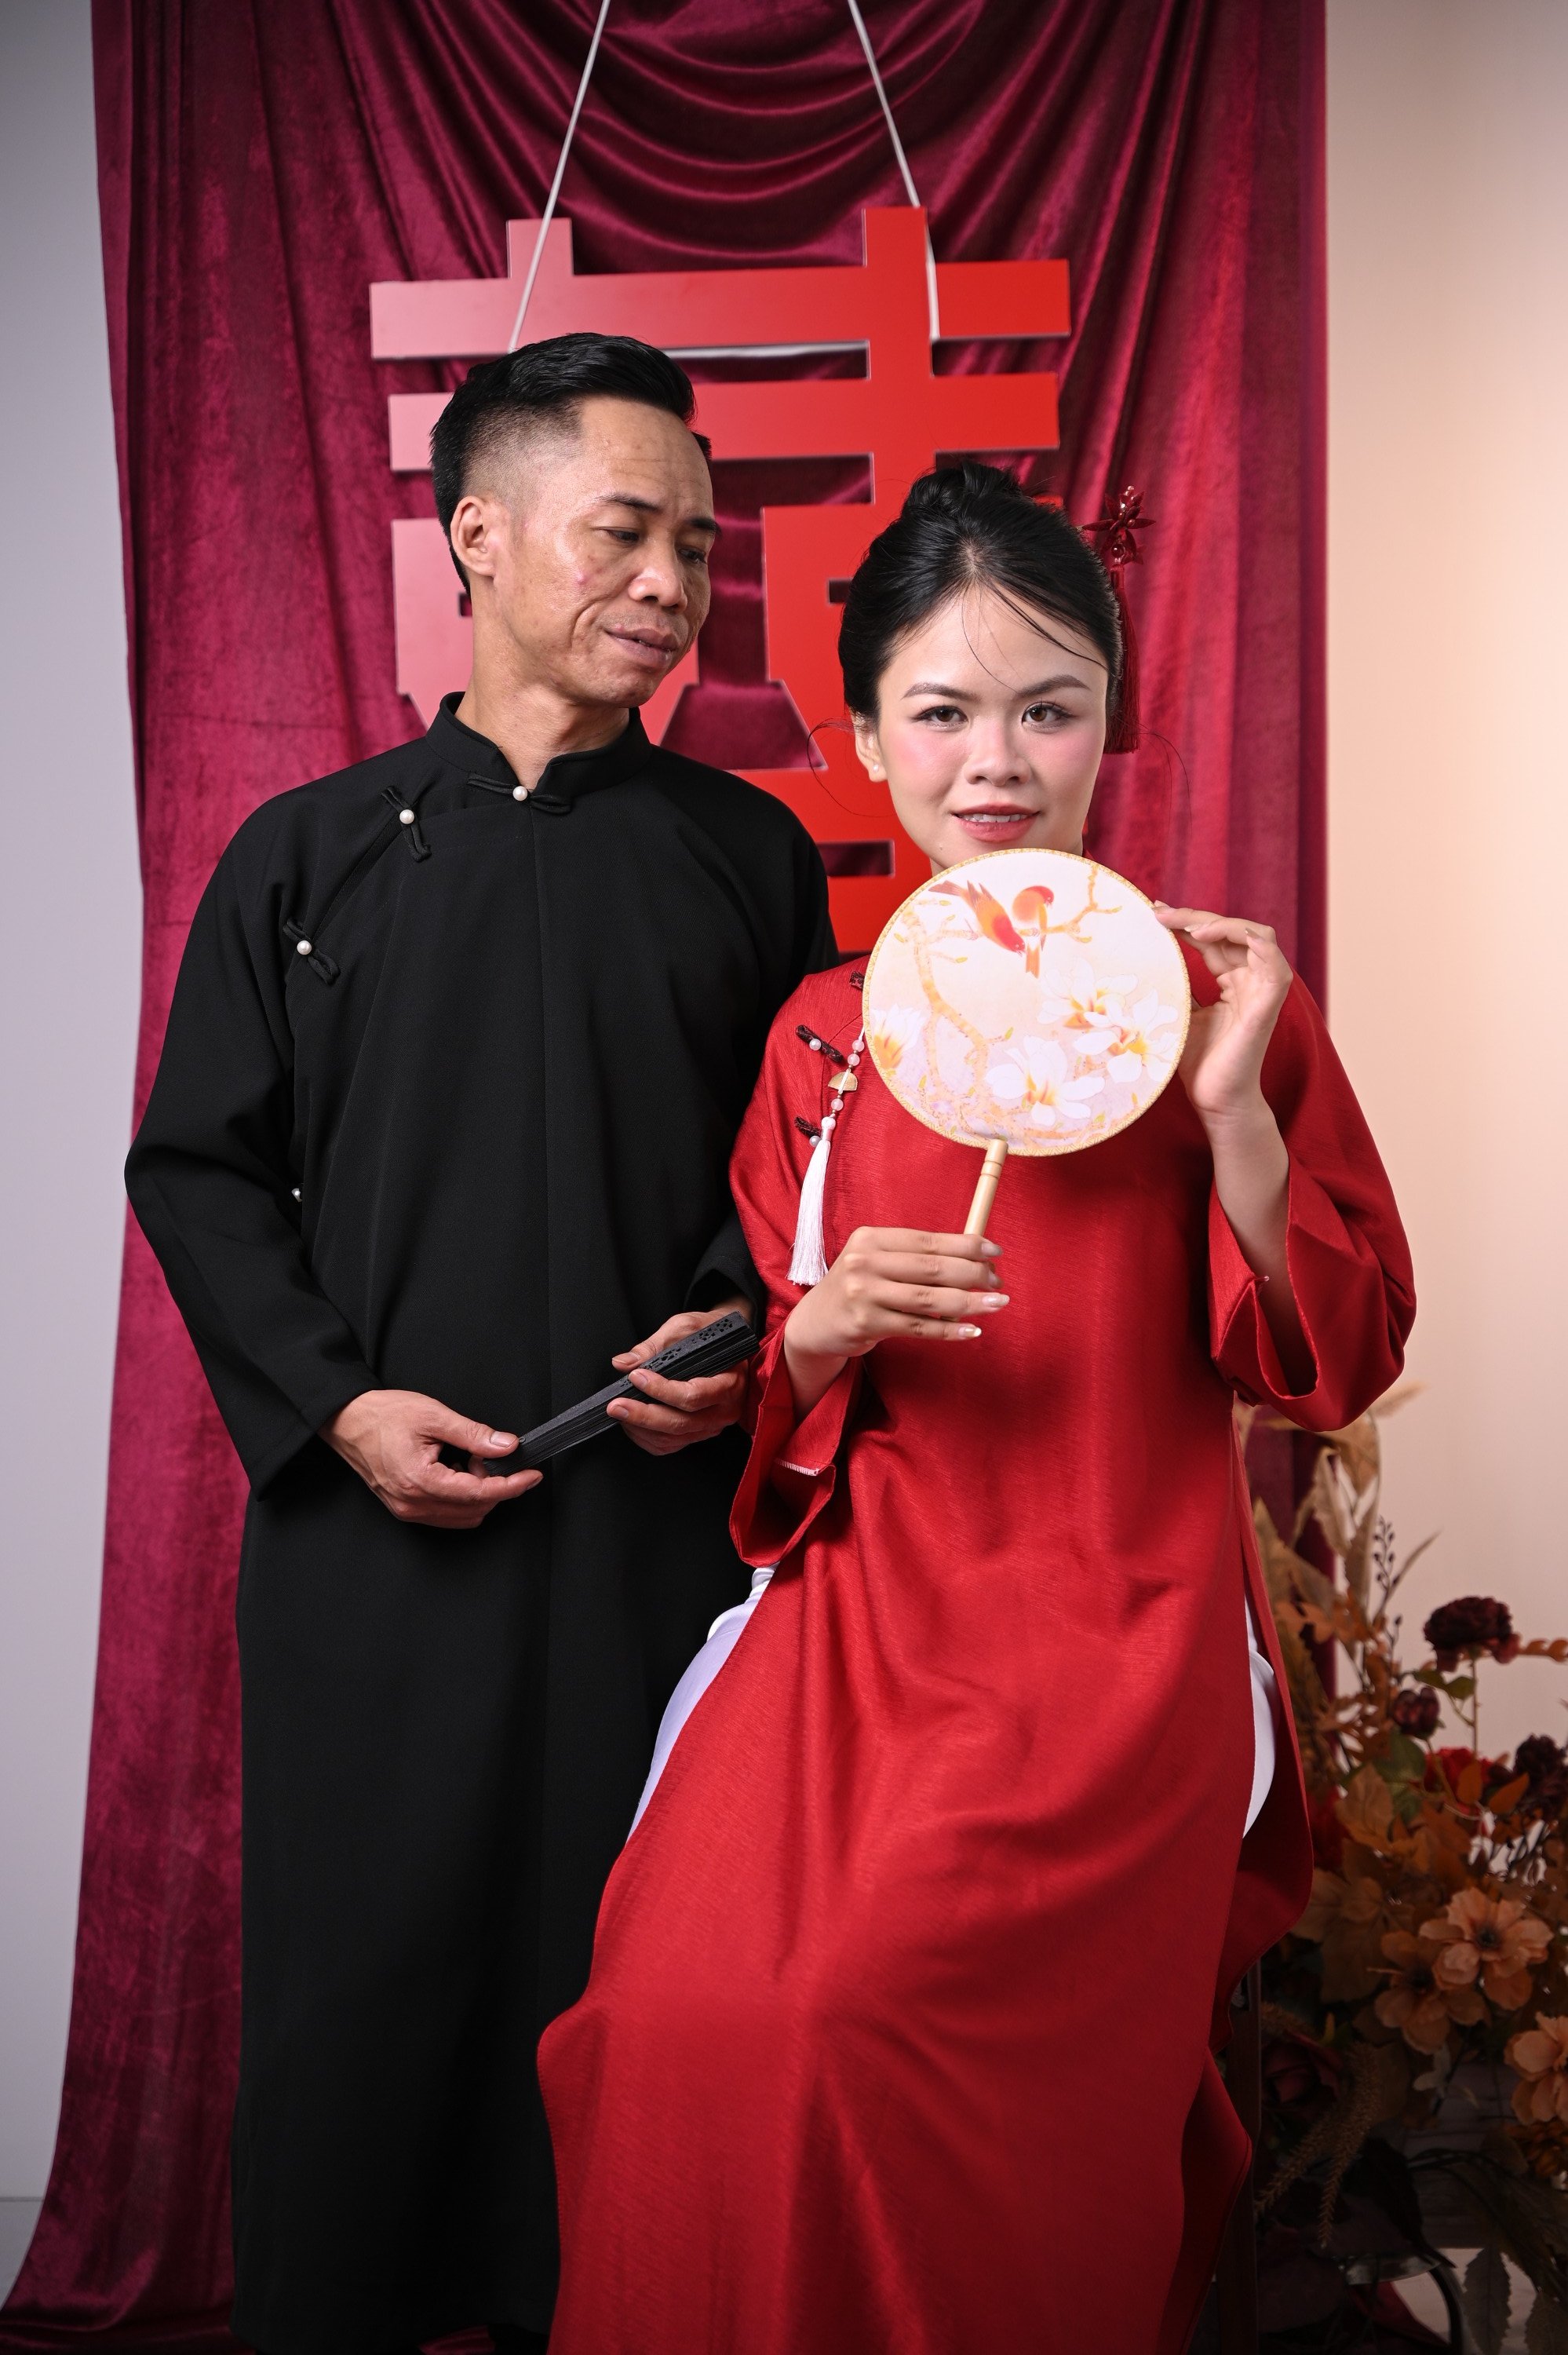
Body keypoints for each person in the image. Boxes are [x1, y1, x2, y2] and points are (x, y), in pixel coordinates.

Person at [538, 462, 1415, 2355]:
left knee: (858, 2028)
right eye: (940, 712)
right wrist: (824, 1332)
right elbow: (775, 1412)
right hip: (859, 1620)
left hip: (1120, 1633)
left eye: (1049, 709)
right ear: (867, 737)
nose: (996, 762)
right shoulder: (827, 1034)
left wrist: (1235, 1115)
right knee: (670, 2018)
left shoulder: (1221, 1007)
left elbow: (1332, 1364)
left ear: (1112, 720)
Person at [125, 331, 833, 2355]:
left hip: (653, 1540)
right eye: (627, 533)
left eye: (696, 547)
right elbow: (196, 1169)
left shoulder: (748, 856)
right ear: (479, 538)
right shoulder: (306, 851)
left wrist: (731, 1335)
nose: (673, 585)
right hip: (372, 1540)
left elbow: (805, 1162)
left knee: (631, 1986)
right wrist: (337, 1406)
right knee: (355, 2000)